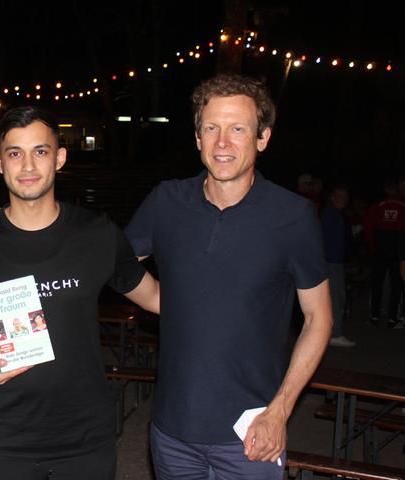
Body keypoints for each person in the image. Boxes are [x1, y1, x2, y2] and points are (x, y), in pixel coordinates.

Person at [125, 74, 332, 479]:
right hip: (172, 431)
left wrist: (280, 411)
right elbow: (100, 256)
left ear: (262, 138)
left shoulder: (293, 217)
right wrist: (15, 223)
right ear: (198, 137)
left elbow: (319, 318)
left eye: (238, 129)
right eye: (212, 128)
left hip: (251, 434)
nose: (223, 143)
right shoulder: (167, 201)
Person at [0, 106, 160, 480]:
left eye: (40, 151)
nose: (28, 166)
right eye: (15, 153)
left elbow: (156, 298)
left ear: (60, 158)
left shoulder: (97, 234)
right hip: (5, 437)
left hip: (86, 435)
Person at [364, 178, 405, 328]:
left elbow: (368, 227)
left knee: (377, 284)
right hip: (398, 251)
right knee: (396, 286)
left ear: (386, 189)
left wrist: (373, 247)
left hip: (381, 249)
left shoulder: (377, 206)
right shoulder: (403, 206)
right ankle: (392, 319)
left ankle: (374, 316)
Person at [322, 184, 356, 347]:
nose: (343, 200)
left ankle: (332, 333)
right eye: (340, 196)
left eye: (345, 197)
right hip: (331, 263)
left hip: (336, 262)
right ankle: (334, 334)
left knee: (337, 297)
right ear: (333, 197)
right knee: (336, 298)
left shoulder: (337, 215)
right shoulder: (330, 215)